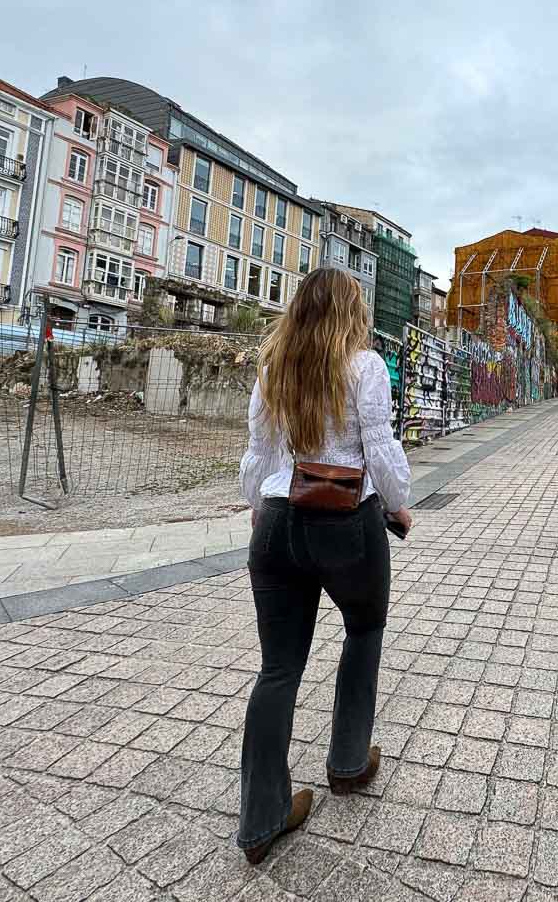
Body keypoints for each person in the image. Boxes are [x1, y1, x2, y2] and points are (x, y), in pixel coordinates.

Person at [235, 268, 413, 865]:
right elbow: (380, 449)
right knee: (363, 630)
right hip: (347, 524)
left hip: (279, 522)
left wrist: (260, 508)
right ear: (350, 313)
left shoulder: (273, 367)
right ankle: (347, 761)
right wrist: (397, 506)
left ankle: (262, 818)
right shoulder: (365, 367)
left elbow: (258, 457)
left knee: (278, 669)